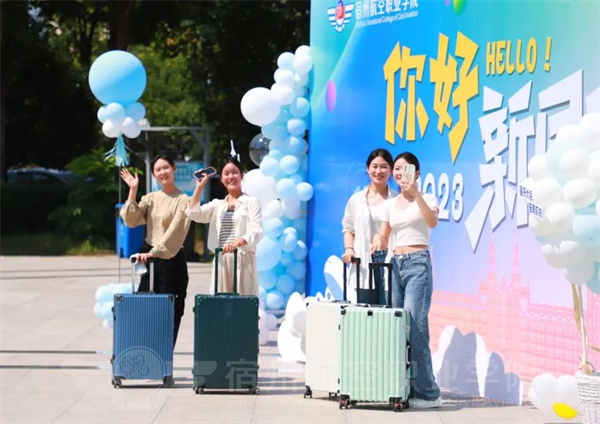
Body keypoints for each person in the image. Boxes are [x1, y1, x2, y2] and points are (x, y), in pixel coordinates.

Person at [372, 151, 442, 409]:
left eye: (406, 168)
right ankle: (403, 388)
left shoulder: (427, 198)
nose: (400, 173)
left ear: (417, 173)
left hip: (417, 264)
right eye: (397, 169)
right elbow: (384, 234)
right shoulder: (390, 204)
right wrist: (378, 240)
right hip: (395, 265)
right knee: (397, 328)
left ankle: (429, 393)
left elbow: (432, 222)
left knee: (417, 327)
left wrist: (416, 194)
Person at [120, 154, 191, 388]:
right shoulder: (150, 198)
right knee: (145, 311)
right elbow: (131, 220)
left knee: (170, 314)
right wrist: (133, 190)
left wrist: (156, 251)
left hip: (171, 260)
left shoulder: (183, 199)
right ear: (154, 174)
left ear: (174, 169)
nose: (163, 172)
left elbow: (176, 230)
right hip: (149, 261)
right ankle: (145, 361)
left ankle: (164, 366)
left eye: (166, 167)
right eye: (158, 169)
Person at [185, 156, 262, 295]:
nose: (230, 177)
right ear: (221, 179)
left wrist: (240, 241)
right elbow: (193, 214)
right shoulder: (217, 205)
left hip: (243, 259)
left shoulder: (251, 202)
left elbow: (257, 230)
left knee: (243, 302)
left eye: (235, 172)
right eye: (226, 173)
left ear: (242, 175)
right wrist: (199, 186)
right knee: (220, 303)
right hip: (221, 259)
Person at [341, 148, 397, 304]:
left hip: (389, 261)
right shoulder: (356, 199)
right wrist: (349, 250)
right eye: (375, 166)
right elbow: (348, 228)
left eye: (384, 167)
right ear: (367, 168)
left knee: (388, 310)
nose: (379, 171)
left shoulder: (397, 199)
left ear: (391, 170)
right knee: (364, 312)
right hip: (363, 262)